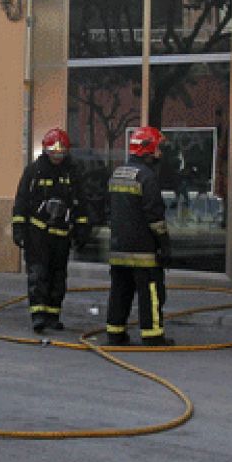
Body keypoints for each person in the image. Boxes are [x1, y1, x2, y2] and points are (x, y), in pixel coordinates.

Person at [12, 127, 89, 333]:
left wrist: (82, 228)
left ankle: (53, 315)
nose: (57, 155)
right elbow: (21, 201)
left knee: (58, 276)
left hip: (62, 234)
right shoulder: (34, 171)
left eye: (61, 151)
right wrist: (19, 229)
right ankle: (38, 315)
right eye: (54, 151)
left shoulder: (72, 172)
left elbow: (81, 202)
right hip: (38, 233)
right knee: (38, 274)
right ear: (46, 150)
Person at [103, 126, 173, 347]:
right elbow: (155, 217)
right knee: (150, 292)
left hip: (118, 247)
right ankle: (153, 336)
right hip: (143, 250)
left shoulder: (117, 173)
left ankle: (115, 333)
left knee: (119, 292)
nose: (160, 153)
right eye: (158, 148)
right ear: (148, 149)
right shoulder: (147, 177)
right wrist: (164, 245)